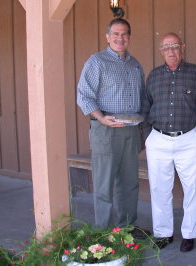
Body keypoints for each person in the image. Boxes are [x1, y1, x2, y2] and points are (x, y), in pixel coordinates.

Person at [77, 18, 149, 238]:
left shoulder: (135, 64)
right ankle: (103, 232)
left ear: (129, 37)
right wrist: (101, 118)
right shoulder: (96, 62)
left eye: (124, 34)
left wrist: (141, 124)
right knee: (104, 183)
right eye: (115, 34)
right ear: (107, 37)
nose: (120, 38)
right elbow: (84, 95)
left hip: (130, 131)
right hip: (105, 130)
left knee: (129, 182)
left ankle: (127, 227)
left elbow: (142, 97)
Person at [141, 33, 196, 252]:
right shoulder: (154, 75)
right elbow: (145, 106)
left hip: (188, 139)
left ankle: (189, 234)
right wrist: (148, 135)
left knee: (192, 189)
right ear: (161, 50)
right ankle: (163, 233)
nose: (171, 51)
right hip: (158, 139)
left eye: (175, 46)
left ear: (183, 48)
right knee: (159, 189)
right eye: (166, 47)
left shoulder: (195, 73)